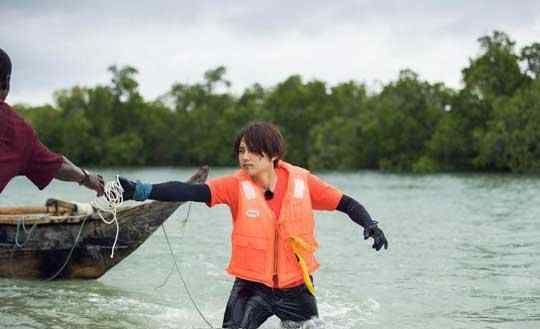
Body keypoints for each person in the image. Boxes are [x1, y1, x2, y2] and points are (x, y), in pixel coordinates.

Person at [119, 122, 388, 329]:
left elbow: (346, 203)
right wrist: (141, 190)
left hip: (296, 288)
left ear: (272, 153)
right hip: (251, 288)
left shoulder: (302, 182)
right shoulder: (235, 186)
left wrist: (370, 224)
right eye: (241, 151)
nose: (244, 157)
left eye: (251, 150)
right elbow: (187, 191)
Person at [0, 48, 104, 196]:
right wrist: (86, 177)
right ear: (6, 83)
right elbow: (57, 166)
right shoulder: (17, 132)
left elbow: (55, 163)